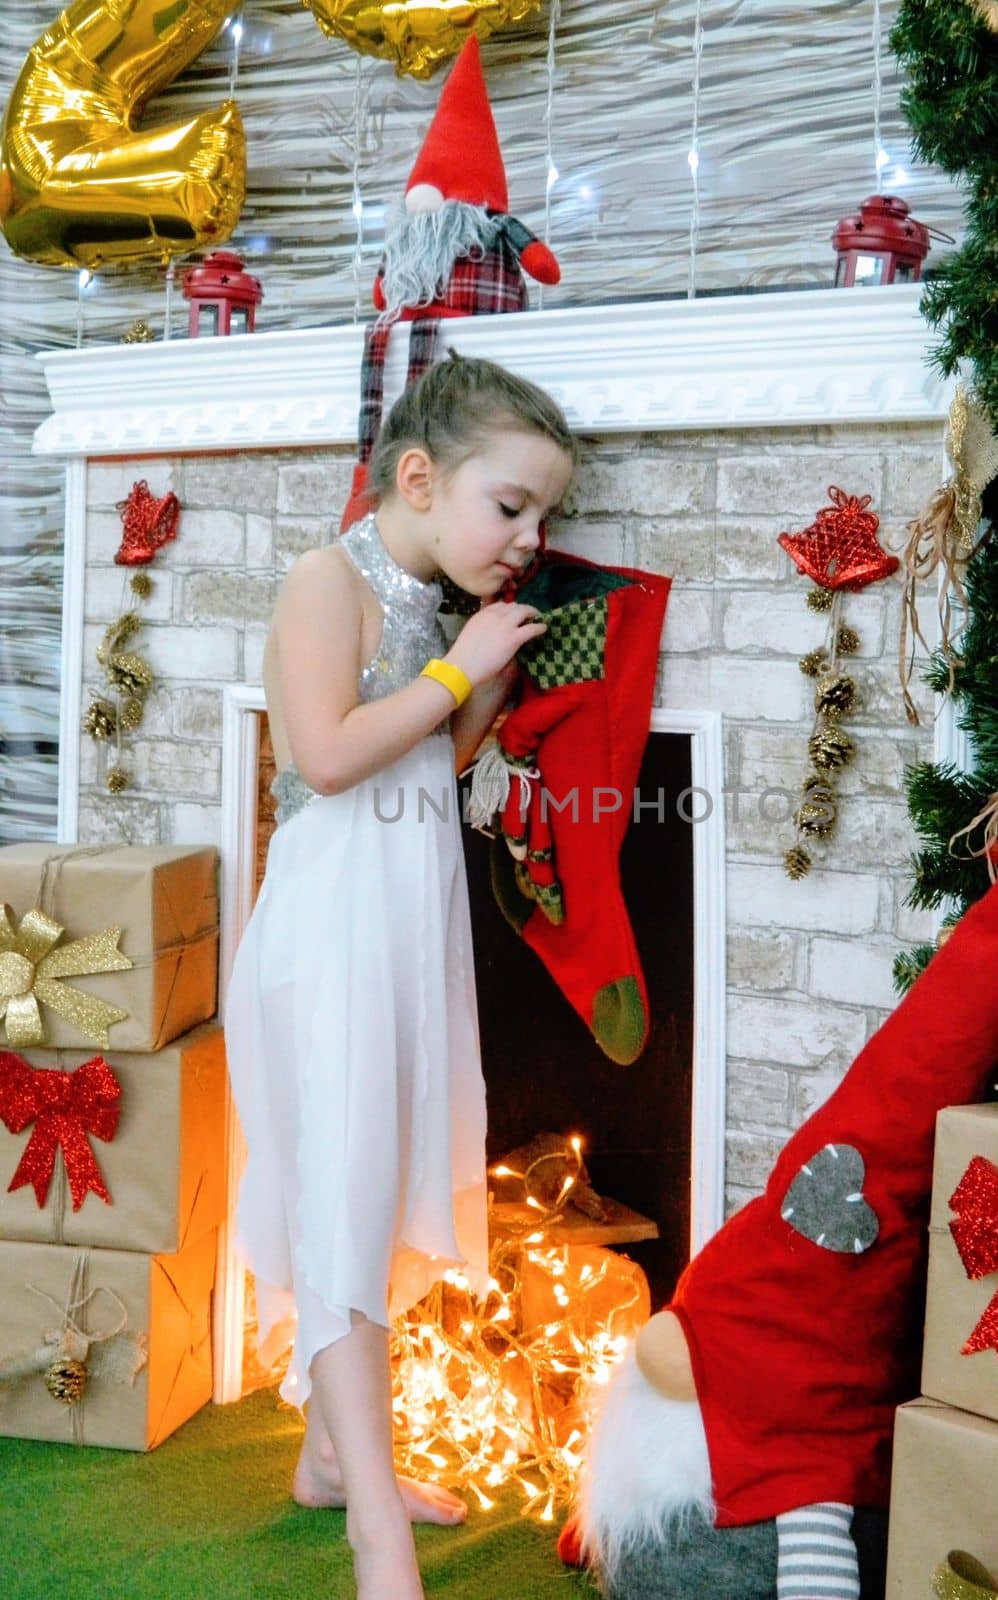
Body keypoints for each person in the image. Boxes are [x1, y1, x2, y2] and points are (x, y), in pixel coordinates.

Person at [223, 353, 578, 1600]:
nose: (532, 537)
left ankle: (330, 1453)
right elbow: (325, 756)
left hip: (408, 924)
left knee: (384, 1187)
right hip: (330, 932)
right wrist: (452, 667)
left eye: (545, 518)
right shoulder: (329, 581)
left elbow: (436, 759)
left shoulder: (435, 605)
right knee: (346, 1196)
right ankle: (376, 1532)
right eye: (512, 506)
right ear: (419, 477)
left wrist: (483, 678)